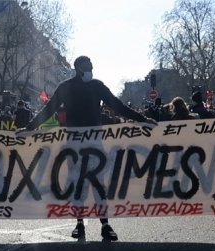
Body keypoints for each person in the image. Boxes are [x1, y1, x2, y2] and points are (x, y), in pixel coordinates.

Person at [20, 55, 157, 241]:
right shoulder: (67, 87)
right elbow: (49, 110)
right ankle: (80, 223)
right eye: (88, 66)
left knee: (98, 183)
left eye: (92, 66)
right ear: (78, 68)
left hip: (91, 143)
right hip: (77, 143)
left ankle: (105, 224)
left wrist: (141, 120)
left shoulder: (96, 86)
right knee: (78, 183)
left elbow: (117, 106)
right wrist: (29, 129)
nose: (91, 69)